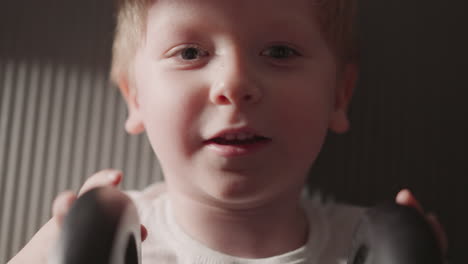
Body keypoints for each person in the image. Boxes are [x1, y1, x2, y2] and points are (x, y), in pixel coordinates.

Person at [8, 0, 447, 263]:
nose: (234, 85)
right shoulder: (111, 247)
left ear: (339, 95)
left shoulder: (367, 250)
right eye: (190, 52)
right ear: (135, 98)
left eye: (279, 51)